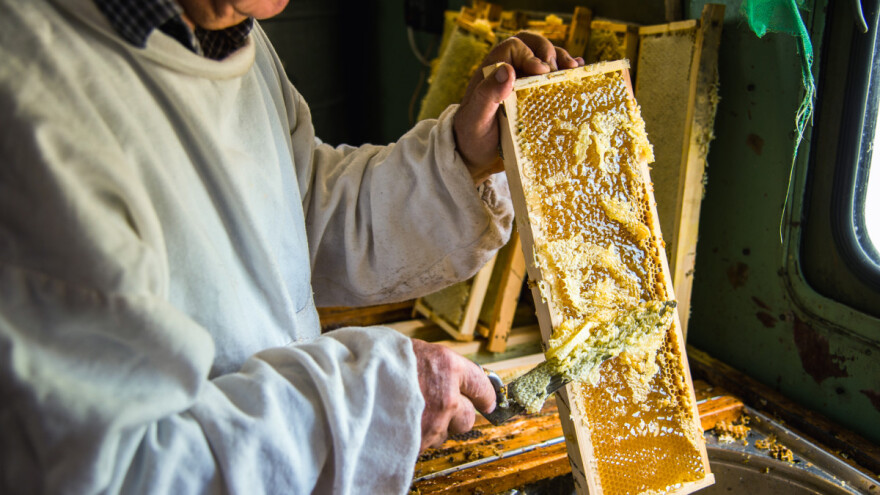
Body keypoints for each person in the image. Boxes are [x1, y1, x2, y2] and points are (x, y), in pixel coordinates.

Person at [0, 0, 584, 492]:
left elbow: (301, 211)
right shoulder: (29, 93)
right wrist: (348, 412)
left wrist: (465, 156)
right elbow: (117, 472)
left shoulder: (226, 26)